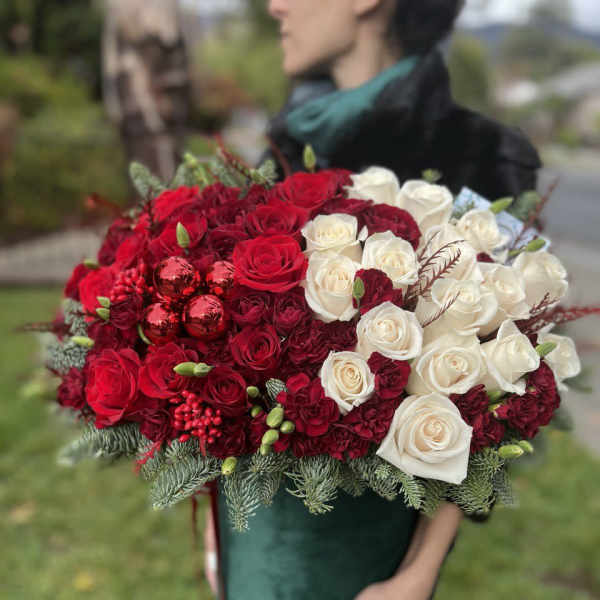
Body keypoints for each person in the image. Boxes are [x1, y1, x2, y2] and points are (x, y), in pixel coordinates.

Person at [205, 1, 541, 599]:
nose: (275, 6)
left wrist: (420, 571)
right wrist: (216, 527)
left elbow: (508, 381)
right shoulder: (288, 144)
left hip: (370, 552)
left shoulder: (478, 153)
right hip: (254, 539)